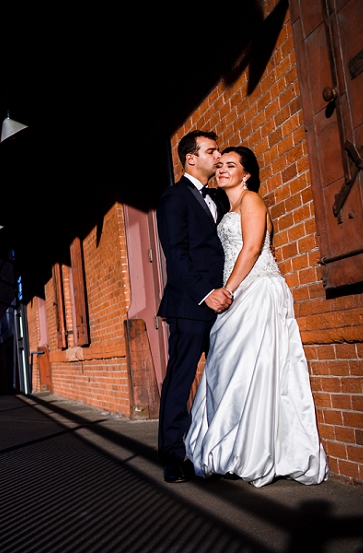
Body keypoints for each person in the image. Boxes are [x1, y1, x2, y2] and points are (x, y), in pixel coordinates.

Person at [185, 146, 327, 486]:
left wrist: (227, 291)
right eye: (219, 165)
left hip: (257, 290)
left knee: (255, 369)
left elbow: (251, 247)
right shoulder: (226, 207)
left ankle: (253, 451)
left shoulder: (251, 200)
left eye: (230, 165)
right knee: (230, 369)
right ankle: (232, 447)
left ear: (246, 174)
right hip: (239, 291)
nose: (221, 170)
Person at [155, 130, 230, 484]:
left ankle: (220, 451)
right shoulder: (173, 198)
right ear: (191, 159)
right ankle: (172, 456)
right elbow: (177, 256)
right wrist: (206, 293)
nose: (218, 157)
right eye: (211, 151)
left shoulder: (218, 197)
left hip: (224, 306)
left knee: (223, 377)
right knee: (181, 380)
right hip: (190, 305)